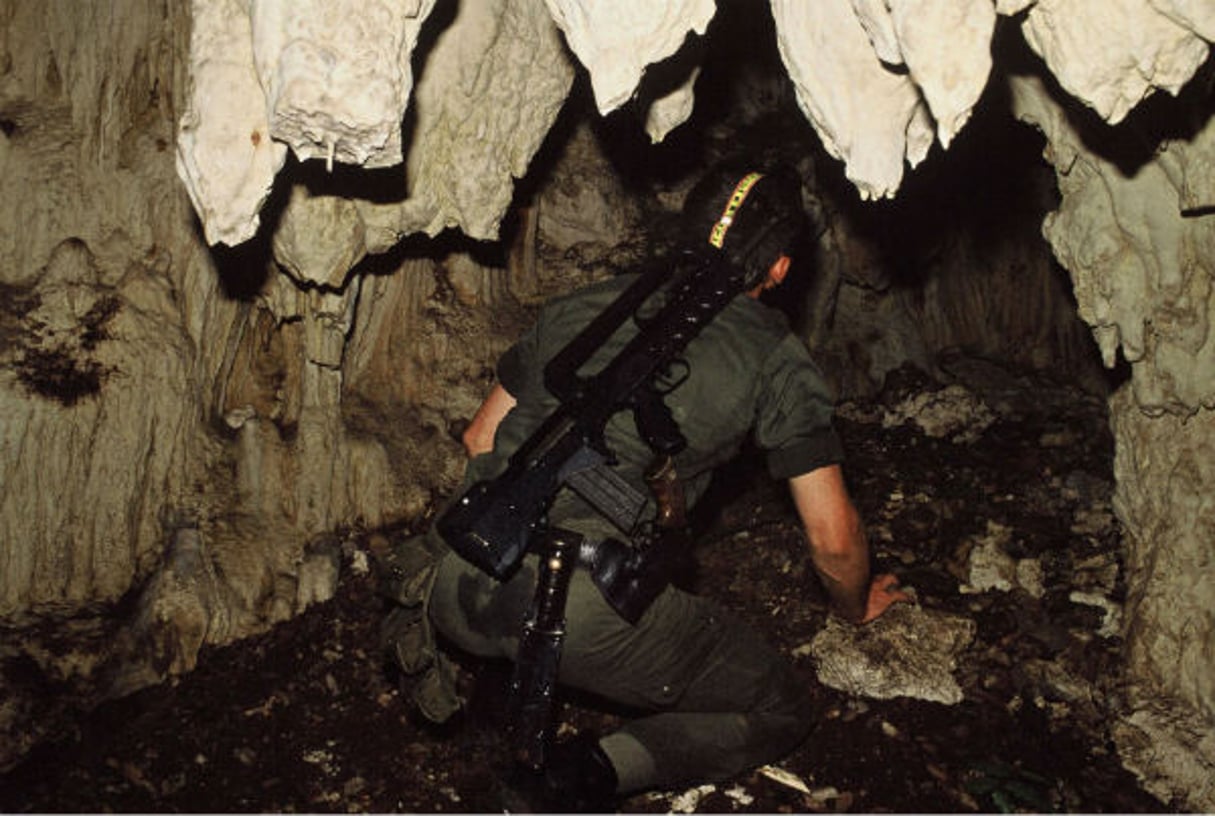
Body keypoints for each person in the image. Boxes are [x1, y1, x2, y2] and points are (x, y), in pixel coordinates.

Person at [377, 160, 909, 810]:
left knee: (539, 585)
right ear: (777, 269)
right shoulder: (773, 355)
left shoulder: (583, 305)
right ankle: (566, 781)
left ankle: (494, 708)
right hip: (569, 611)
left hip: (450, 574)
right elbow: (831, 538)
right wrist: (853, 607)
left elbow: (478, 440)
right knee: (779, 705)